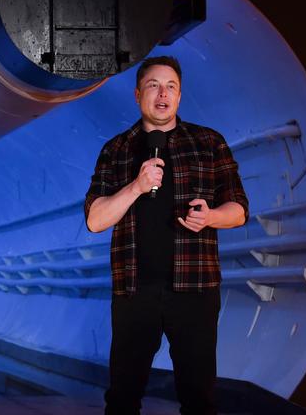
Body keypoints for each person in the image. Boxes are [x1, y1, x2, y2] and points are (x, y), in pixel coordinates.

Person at [84, 56, 249, 415]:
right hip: (134, 292)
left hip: (195, 291)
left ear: (179, 95)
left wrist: (211, 218)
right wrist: (136, 187)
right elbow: (96, 220)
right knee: (123, 398)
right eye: (154, 86)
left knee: (199, 397)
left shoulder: (208, 143)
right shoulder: (115, 150)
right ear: (138, 94)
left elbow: (238, 210)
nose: (163, 94)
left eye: (171, 87)